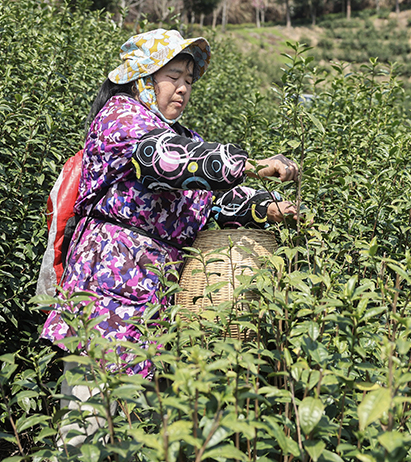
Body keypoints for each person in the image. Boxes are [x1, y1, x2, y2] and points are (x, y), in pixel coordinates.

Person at [41, 29, 298, 444]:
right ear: (142, 77)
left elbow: (211, 200)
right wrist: (251, 165)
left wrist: (268, 207)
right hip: (108, 288)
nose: (182, 88)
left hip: (157, 294)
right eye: (172, 76)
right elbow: (165, 161)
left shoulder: (186, 139)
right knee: (89, 421)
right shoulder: (120, 118)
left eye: (189, 80)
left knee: (136, 426)